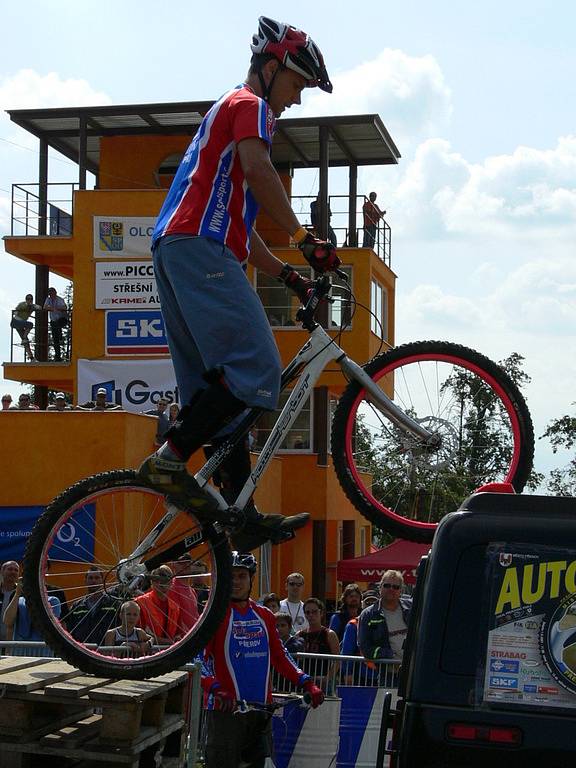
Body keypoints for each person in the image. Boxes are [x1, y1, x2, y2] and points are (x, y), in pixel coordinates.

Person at [138, 16, 338, 554]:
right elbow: (258, 168)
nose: (295, 101)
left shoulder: (230, 116)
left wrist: (289, 274)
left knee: (218, 389)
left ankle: (237, 514)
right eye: (297, 85)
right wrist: (303, 237)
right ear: (272, 68)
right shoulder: (250, 106)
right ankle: (169, 458)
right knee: (260, 370)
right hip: (198, 247)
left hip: (181, 247)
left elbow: (243, 236)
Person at [201, 552, 324, 768]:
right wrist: (215, 687)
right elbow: (198, 658)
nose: (236, 581)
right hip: (225, 711)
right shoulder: (213, 614)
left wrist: (307, 682)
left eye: (242, 576)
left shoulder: (265, 615)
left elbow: (280, 655)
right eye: (231, 576)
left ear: (251, 580)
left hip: (260, 712)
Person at [358, 570, 412, 684]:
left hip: (414, 672)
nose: (391, 589)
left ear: (401, 591)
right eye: (387, 585)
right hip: (388, 676)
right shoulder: (368, 614)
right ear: (380, 587)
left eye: (396, 587)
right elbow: (365, 648)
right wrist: (390, 656)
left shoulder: (412, 608)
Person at [4, 576, 60, 656]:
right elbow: (7, 622)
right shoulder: (19, 601)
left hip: (42, 650)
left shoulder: (53, 601)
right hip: (20, 651)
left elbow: (50, 625)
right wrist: (17, 593)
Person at [65, 567, 119, 646]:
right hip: (82, 650)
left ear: (102, 580)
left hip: (105, 650)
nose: (94, 581)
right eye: (90, 578)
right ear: (85, 581)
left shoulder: (113, 604)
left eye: (97, 578)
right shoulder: (77, 606)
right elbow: (69, 630)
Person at [296, 597, 340, 693]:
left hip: (324, 682)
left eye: (314, 612)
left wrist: (327, 678)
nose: (311, 615)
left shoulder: (329, 634)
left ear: (321, 613)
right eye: (307, 612)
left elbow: (337, 660)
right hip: (305, 681)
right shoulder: (299, 635)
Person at [341, 590, 380, 685]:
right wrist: (347, 674)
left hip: (382, 675)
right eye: (368, 602)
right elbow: (346, 652)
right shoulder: (353, 625)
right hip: (360, 676)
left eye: (374, 602)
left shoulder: (385, 623)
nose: (371, 605)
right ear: (362, 604)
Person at [135, 565, 182, 645]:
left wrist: (177, 639)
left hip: (169, 651)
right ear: (152, 582)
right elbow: (137, 633)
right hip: (147, 651)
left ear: (171, 582)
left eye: (165, 579)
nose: (161, 583)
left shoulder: (175, 607)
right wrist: (170, 642)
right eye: (157, 579)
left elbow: (178, 633)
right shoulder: (140, 602)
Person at [168, 554, 199, 631]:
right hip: (186, 637)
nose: (186, 565)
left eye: (188, 562)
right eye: (181, 562)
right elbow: (175, 617)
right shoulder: (172, 588)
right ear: (173, 565)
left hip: (195, 634)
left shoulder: (192, 590)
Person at [10, 294, 40, 361]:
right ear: (26, 299)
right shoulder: (22, 304)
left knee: (26, 342)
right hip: (16, 322)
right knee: (30, 325)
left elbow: (39, 307)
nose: (29, 300)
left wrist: (34, 306)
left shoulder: (32, 306)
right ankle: (24, 338)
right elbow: (16, 311)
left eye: (31, 299)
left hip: (20, 324)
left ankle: (32, 358)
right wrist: (25, 307)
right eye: (28, 299)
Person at [43, 287, 68, 361]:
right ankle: (58, 356)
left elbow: (64, 307)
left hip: (62, 319)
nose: (51, 295)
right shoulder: (48, 299)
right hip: (54, 321)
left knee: (58, 326)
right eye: (50, 293)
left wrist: (56, 308)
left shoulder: (60, 299)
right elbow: (44, 307)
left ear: (55, 293)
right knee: (55, 339)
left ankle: (60, 337)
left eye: (52, 293)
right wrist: (52, 309)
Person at [0, 561, 20, 641]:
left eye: (16, 570)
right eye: (10, 569)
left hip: (13, 643)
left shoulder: (22, 595)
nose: (13, 572)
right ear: (2, 571)